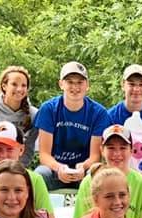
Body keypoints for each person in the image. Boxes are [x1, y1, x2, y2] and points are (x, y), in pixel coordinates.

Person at [35, 61, 109, 190]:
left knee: (97, 177)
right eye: (70, 82)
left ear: (87, 85)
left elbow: (95, 156)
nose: (75, 87)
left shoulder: (99, 113)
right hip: (55, 169)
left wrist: (83, 167)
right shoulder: (48, 109)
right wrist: (59, 168)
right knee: (39, 175)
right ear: (61, 84)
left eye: (80, 82)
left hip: (84, 170)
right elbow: (44, 155)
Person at [72, 125, 142, 218]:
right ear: (102, 150)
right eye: (111, 148)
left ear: (131, 150)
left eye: (123, 148)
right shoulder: (89, 182)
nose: (117, 153)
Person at [107, 64, 142, 145]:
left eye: (141, 85)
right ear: (123, 85)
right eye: (131, 84)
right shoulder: (110, 117)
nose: (136, 89)